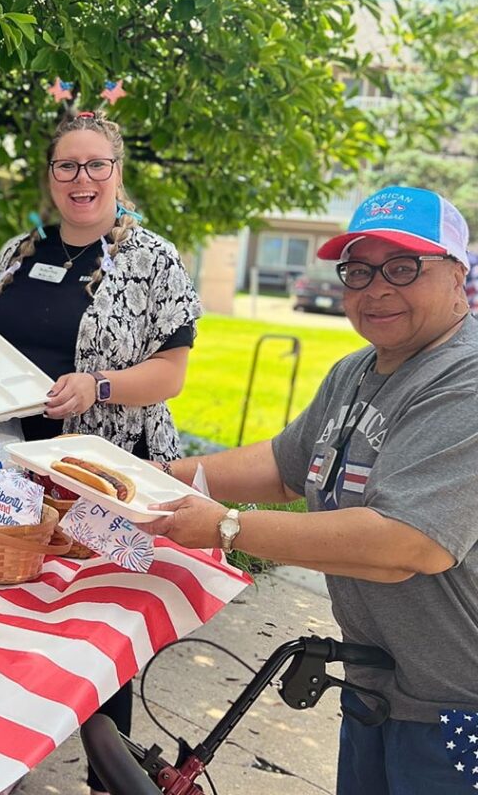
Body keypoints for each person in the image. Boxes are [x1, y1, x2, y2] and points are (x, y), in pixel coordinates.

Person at [142, 185, 478, 795]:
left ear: (459, 276)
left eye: (403, 267)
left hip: (459, 709)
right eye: (358, 269)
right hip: (378, 681)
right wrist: (155, 480)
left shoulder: (467, 378)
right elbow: (284, 464)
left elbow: (410, 544)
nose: (376, 288)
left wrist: (226, 527)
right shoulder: (357, 370)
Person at [0, 106, 201, 795]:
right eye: (66, 165)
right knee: (7, 619)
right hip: (9, 477)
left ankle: (111, 780)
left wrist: (98, 384)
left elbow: (174, 372)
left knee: (102, 628)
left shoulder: (152, 258)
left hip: (106, 480)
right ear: (50, 177)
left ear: (117, 172)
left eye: (95, 165)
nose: (81, 179)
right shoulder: (19, 253)